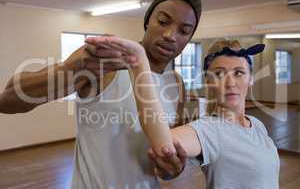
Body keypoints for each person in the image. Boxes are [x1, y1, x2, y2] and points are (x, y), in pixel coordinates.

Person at [0, 0, 202, 188]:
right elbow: (8, 100)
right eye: (163, 21)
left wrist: (170, 169)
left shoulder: (175, 83)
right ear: (148, 20)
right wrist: (72, 67)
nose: (170, 35)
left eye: (183, 31)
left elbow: (163, 155)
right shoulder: (107, 62)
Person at [88, 36, 280, 189]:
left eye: (238, 73)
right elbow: (163, 143)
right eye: (219, 74)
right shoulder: (210, 130)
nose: (230, 83)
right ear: (208, 82)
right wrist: (140, 64)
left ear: (251, 79)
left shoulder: (257, 125)